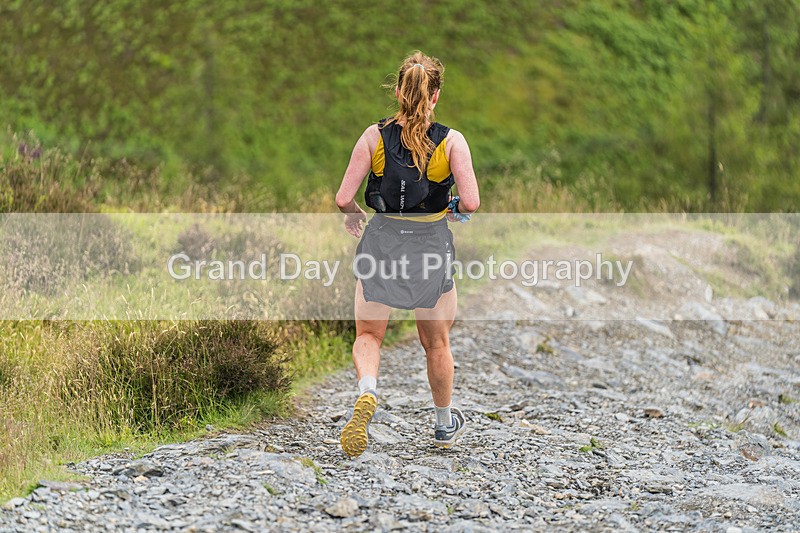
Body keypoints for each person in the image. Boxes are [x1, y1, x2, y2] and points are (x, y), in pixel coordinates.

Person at [334, 51, 480, 458]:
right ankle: (443, 424)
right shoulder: (452, 141)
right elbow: (470, 202)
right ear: (434, 96)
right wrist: (449, 210)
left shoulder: (373, 136)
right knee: (436, 342)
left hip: (381, 241)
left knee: (368, 335)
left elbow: (344, 197)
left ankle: (368, 392)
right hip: (430, 245)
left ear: (398, 92)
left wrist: (354, 215)